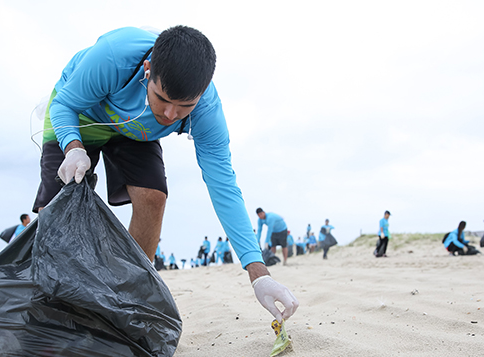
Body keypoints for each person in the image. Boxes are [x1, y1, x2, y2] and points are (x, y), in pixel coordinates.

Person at [30, 26, 297, 322]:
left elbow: (224, 186)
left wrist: (258, 274)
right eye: (163, 98)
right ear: (147, 70)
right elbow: (64, 104)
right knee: (55, 208)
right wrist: (73, 148)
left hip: (135, 131)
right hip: (79, 114)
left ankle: (131, 298)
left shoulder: (206, 110)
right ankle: (55, 306)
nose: (170, 115)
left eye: (184, 107)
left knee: (153, 197)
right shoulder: (112, 56)